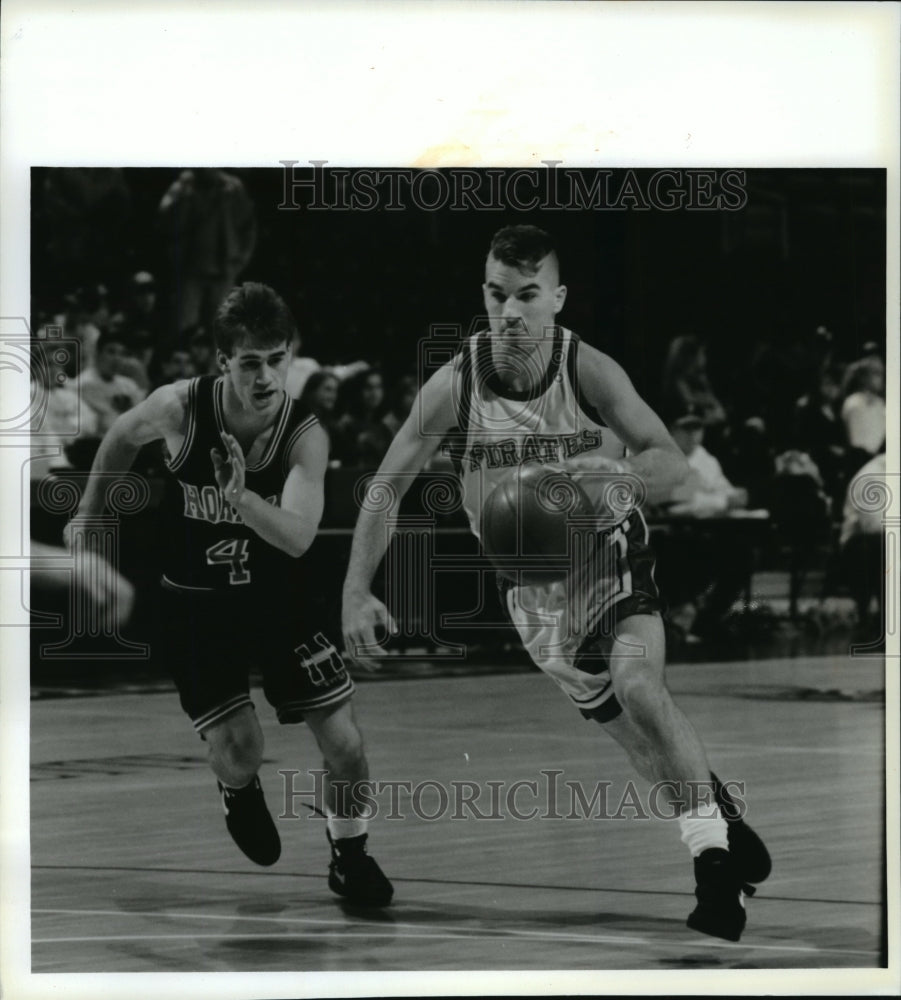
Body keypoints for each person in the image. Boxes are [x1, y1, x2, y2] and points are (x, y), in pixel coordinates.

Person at [342, 226, 770, 942]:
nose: (509, 312)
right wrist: (356, 589)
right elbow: (384, 487)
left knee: (638, 687)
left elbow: (673, 462)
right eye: (495, 294)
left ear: (556, 299)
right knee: (631, 737)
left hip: (605, 551)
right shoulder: (455, 383)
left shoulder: (587, 369)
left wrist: (619, 476)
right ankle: (718, 812)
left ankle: (713, 869)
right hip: (530, 588)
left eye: (527, 295)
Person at [66, 282, 392, 907]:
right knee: (243, 750)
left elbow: (297, 538)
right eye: (250, 362)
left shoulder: (305, 435)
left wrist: (240, 497)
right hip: (197, 603)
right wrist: (89, 510)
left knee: (346, 744)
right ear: (224, 364)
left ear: (290, 354)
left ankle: (351, 856)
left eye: (277, 358)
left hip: (281, 601)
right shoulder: (180, 408)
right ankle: (236, 790)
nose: (267, 375)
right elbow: (119, 440)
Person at [73, 329, 148, 436]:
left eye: (122, 353)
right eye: (111, 352)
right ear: (97, 354)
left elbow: (142, 419)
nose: (117, 358)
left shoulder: (128, 385)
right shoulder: (82, 384)